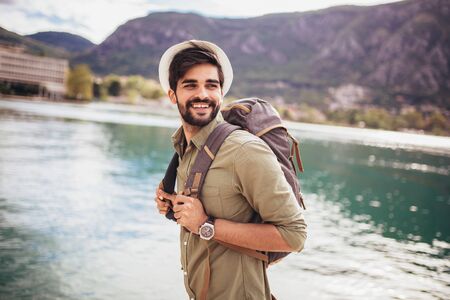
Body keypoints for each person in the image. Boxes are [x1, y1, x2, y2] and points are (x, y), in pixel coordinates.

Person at [155, 40, 307, 300]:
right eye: (190, 85)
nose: (202, 94)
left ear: (221, 93)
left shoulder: (244, 151)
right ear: (173, 95)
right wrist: (175, 209)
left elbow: (295, 235)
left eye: (211, 85)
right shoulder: (184, 148)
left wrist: (205, 224)